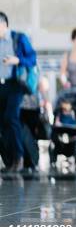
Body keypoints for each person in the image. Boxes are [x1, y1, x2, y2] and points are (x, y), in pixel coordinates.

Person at [0, 11, 37, 172]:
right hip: (1, 86)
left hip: (15, 84)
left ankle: (19, 157)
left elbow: (33, 58)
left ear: (4, 24)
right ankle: (9, 160)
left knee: (11, 117)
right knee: (2, 122)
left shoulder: (18, 38)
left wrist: (18, 60)